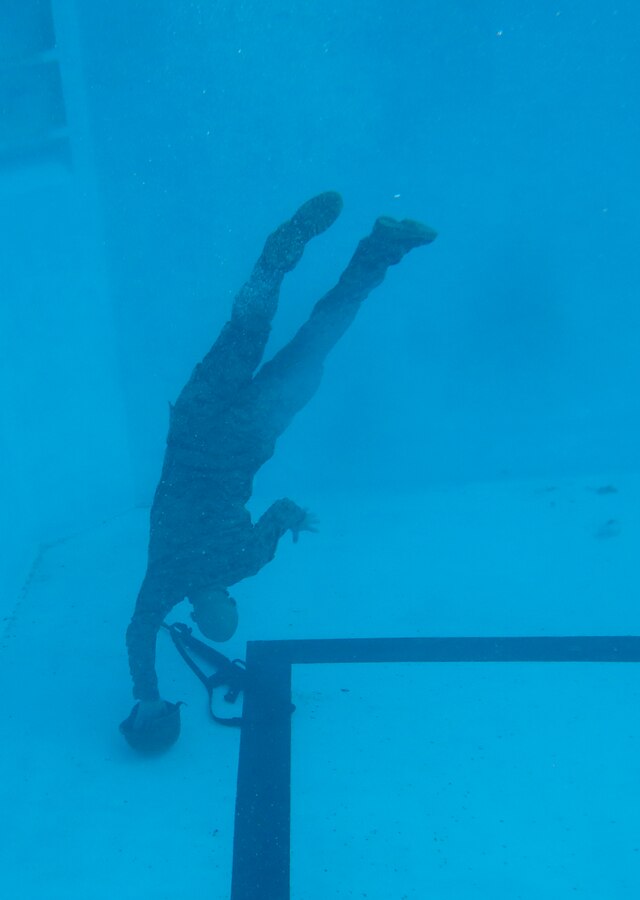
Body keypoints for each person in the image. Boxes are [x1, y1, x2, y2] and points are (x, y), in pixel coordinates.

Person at [120, 191, 436, 752]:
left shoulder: (247, 560)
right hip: (200, 426)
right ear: (197, 606)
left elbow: (285, 508)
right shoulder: (166, 581)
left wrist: (296, 521)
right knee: (250, 325)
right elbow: (138, 633)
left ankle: (380, 248)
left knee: (313, 341)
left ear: (228, 603)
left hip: (246, 435)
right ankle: (292, 254)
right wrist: (147, 695)